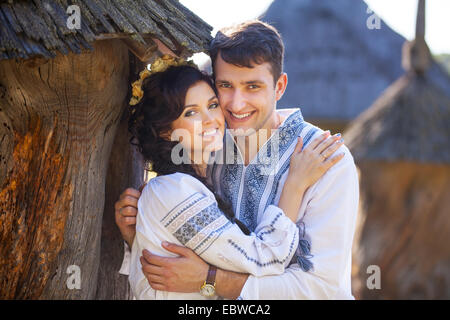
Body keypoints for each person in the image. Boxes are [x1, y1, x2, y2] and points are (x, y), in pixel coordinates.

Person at [116, 20, 359, 300]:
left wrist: (210, 280)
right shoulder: (208, 150)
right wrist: (141, 232)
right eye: (225, 86)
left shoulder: (326, 160)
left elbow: (319, 289)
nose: (236, 103)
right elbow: (175, 265)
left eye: (252, 86)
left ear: (279, 87)